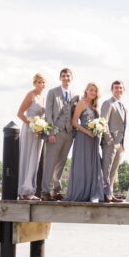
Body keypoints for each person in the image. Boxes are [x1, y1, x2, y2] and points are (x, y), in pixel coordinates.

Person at [64, 82, 107, 202]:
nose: (93, 92)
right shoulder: (81, 103)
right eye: (91, 90)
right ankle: (80, 192)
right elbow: (74, 122)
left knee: (93, 165)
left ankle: (94, 193)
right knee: (82, 164)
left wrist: (99, 129)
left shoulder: (95, 105)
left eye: (95, 91)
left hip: (94, 138)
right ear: (86, 90)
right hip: (83, 138)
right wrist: (87, 132)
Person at [42, 67, 77, 201]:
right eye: (63, 76)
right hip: (55, 133)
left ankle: (56, 190)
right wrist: (50, 132)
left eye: (68, 76)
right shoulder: (52, 92)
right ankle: (45, 191)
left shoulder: (75, 96)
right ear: (60, 78)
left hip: (69, 134)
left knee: (61, 163)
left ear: (71, 78)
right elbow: (48, 113)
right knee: (50, 162)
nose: (66, 78)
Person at [16, 72, 47, 200]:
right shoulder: (30, 95)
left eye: (43, 82)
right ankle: (23, 191)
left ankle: (30, 189)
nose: (41, 84)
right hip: (29, 130)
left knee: (35, 160)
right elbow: (19, 113)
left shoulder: (43, 98)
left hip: (38, 133)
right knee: (27, 158)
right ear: (34, 83)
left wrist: (41, 127)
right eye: (39, 82)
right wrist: (32, 125)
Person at [100, 80, 127, 203]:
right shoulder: (108, 103)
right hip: (110, 142)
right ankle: (104, 194)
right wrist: (109, 140)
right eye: (116, 88)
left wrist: (122, 144)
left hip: (120, 143)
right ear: (112, 90)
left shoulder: (123, 105)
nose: (118, 90)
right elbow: (103, 122)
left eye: (120, 88)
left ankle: (110, 193)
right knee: (106, 169)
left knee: (114, 170)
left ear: (123, 90)